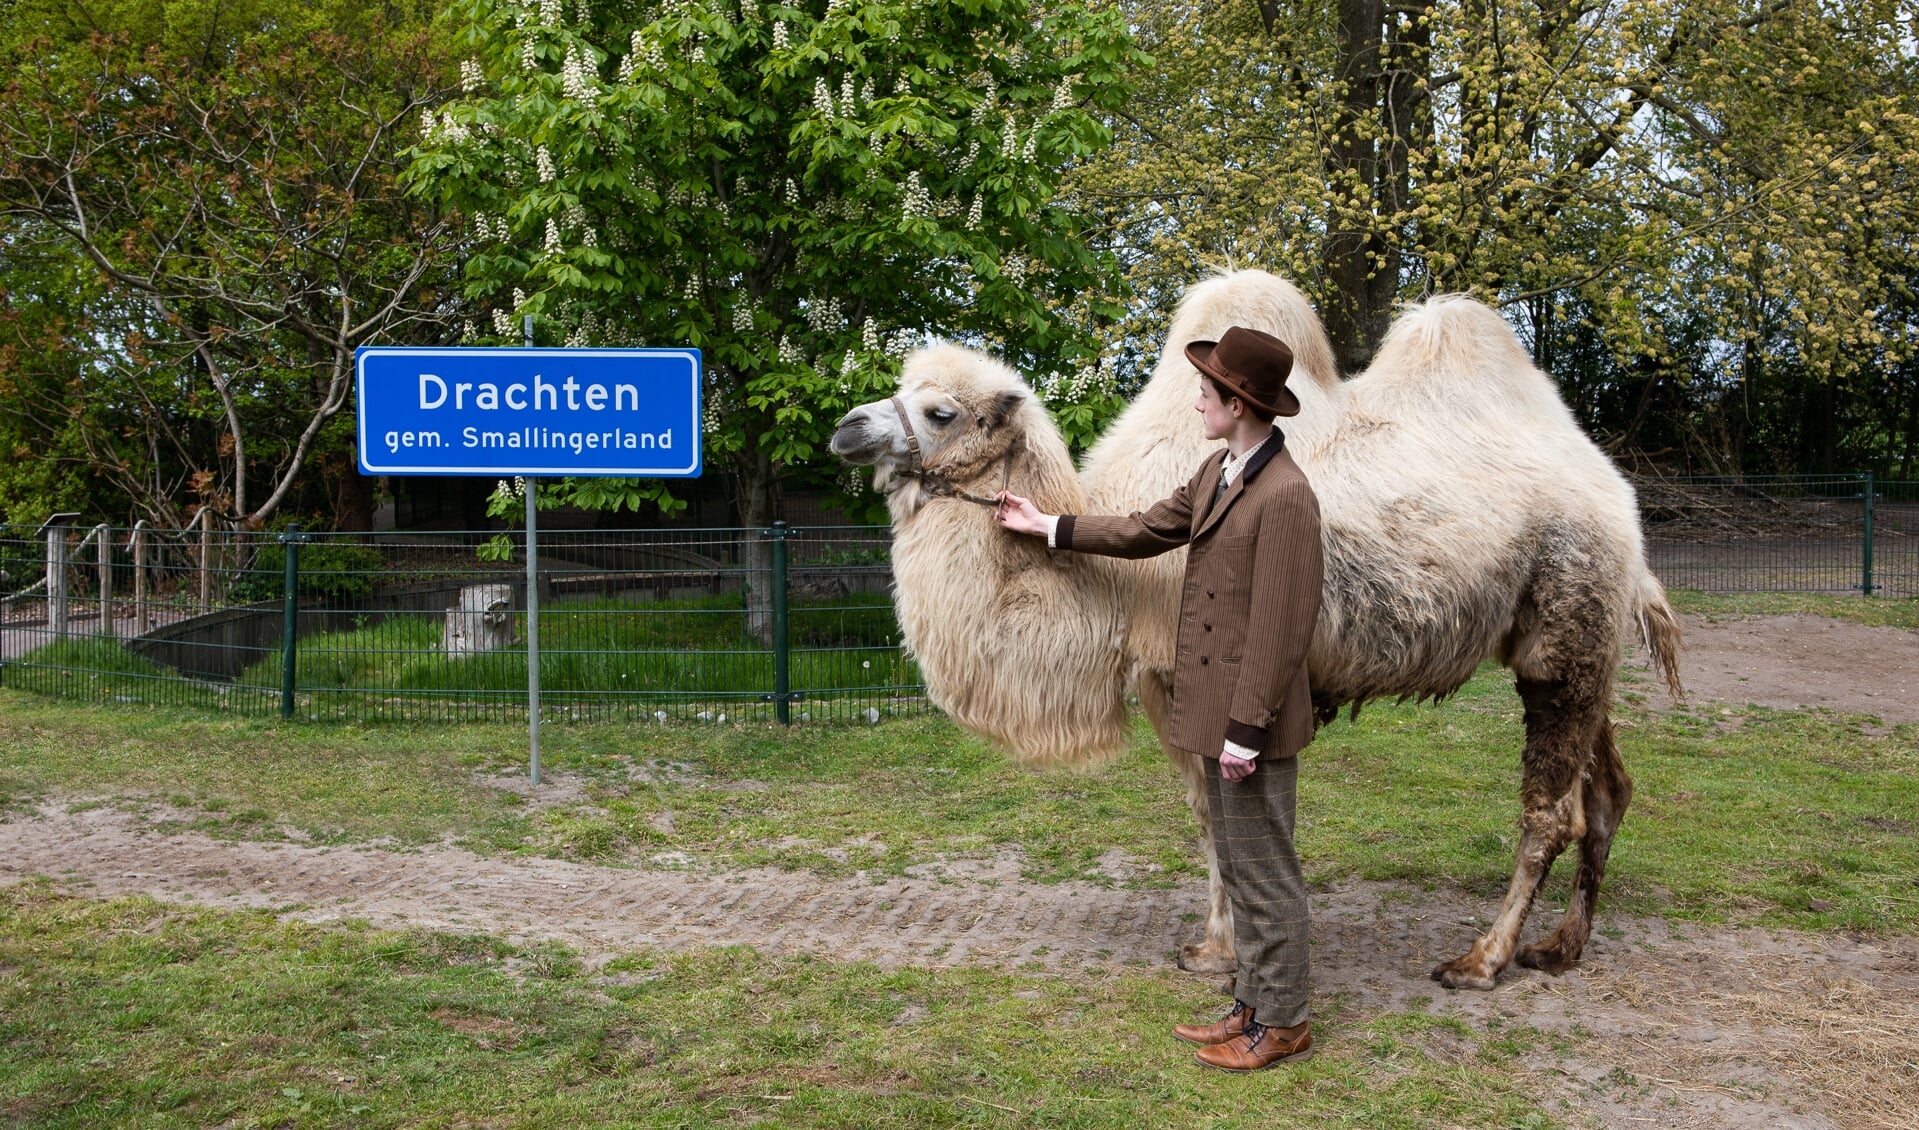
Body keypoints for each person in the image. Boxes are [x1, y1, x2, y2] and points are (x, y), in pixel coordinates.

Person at [995, 326, 1324, 1071]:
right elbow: (1147, 530)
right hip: (1213, 708)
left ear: (1239, 402)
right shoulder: (1219, 471)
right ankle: (1253, 1006)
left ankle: (1286, 1023)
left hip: (1251, 720)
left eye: (1207, 389)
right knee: (1238, 865)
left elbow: (1280, 627)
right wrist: (1046, 525)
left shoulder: (1286, 496)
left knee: (1267, 870)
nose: (1197, 398)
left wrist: (1246, 728)